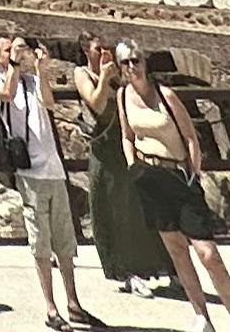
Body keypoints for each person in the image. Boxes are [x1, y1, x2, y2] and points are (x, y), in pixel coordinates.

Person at [115, 50, 230, 332]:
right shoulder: (122, 95)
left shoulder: (166, 95)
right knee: (177, 251)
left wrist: (193, 173)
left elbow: (191, 137)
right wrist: (132, 167)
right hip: (149, 177)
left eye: (136, 60)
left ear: (145, 63)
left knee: (208, 254)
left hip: (179, 176)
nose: (132, 67)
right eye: (125, 62)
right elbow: (127, 135)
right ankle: (202, 316)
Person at [0, 35, 84, 332]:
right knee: (40, 243)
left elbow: (49, 104)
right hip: (30, 172)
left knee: (65, 241)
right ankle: (51, 307)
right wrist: (14, 63)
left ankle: (73, 302)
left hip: (53, 168)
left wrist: (42, 69)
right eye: (8, 50)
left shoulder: (33, 81)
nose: (16, 54)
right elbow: (6, 96)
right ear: (0, 56)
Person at [73, 37, 166, 297]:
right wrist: (103, 76)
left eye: (106, 48)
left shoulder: (119, 75)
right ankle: (127, 271)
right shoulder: (82, 73)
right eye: (97, 48)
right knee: (117, 211)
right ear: (85, 50)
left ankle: (161, 266)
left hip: (128, 146)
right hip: (106, 150)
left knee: (143, 206)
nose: (104, 52)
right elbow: (96, 102)